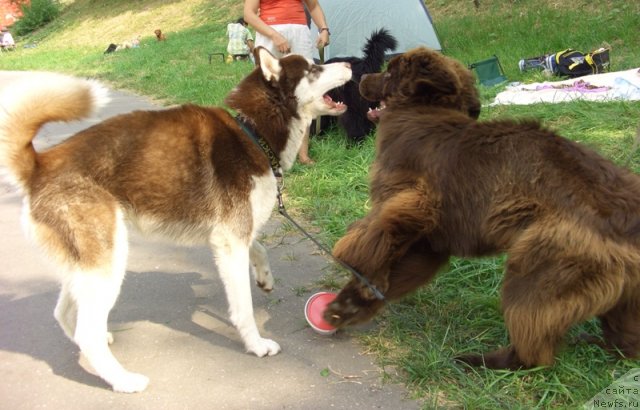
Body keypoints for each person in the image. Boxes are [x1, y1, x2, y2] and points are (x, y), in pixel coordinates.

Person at [244, 0, 331, 165]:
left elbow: (313, 6)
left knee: (303, 92)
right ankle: (266, 152)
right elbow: (249, 14)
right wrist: (274, 35)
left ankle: (303, 155)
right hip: (270, 30)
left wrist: (324, 29)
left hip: (299, 32)